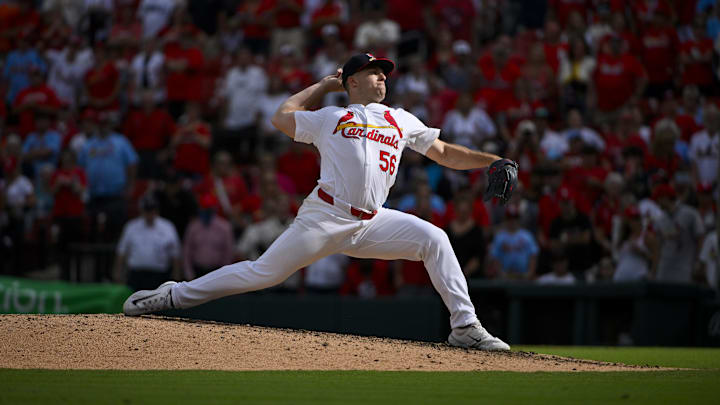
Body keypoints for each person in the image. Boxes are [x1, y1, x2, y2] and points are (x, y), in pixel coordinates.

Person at [123, 53, 516, 351]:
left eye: (385, 72)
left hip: (372, 221)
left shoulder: (400, 119)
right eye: (374, 71)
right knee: (264, 273)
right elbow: (281, 117)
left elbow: (444, 152)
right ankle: (174, 294)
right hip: (324, 217)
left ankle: (465, 327)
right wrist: (323, 86)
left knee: (435, 239)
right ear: (352, 82)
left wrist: (491, 161)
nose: (383, 76)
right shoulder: (331, 117)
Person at [114, 193, 181, 291]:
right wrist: (117, 274)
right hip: (136, 276)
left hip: (159, 276)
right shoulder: (131, 227)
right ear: (142, 210)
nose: (150, 214)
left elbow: (175, 254)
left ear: (157, 210)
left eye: (152, 210)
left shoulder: (167, 227)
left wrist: (176, 278)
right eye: (147, 210)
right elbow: (122, 252)